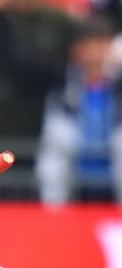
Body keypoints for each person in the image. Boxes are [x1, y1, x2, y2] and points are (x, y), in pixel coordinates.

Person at [36, 16, 122, 204]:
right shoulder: (64, 87)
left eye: (102, 45)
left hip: (114, 180)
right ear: (79, 50)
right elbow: (54, 134)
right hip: (75, 182)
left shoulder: (117, 87)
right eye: (90, 46)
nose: (96, 53)